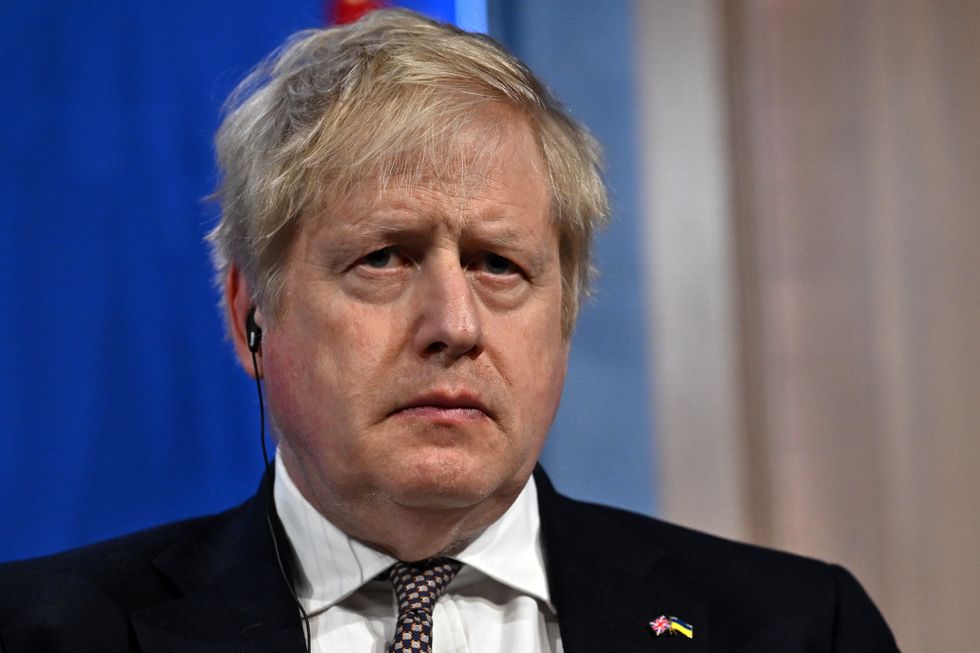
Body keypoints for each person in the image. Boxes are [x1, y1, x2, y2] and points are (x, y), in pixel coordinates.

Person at [0, 9, 897, 652]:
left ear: (564, 320)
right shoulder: (46, 628)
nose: (454, 325)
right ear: (251, 317)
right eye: (385, 258)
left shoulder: (795, 627)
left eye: (499, 265)